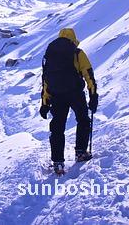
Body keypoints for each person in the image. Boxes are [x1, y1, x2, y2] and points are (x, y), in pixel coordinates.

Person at [40, 28, 98, 175]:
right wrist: (93, 95)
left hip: (56, 95)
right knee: (83, 120)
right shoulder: (77, 53)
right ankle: (80, 152)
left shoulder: (50, 55)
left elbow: (46, 81)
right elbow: (88, 74)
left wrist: (45, 103)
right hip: (75, 93)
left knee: (57, 128)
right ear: (73, 39)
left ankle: (58, 162)